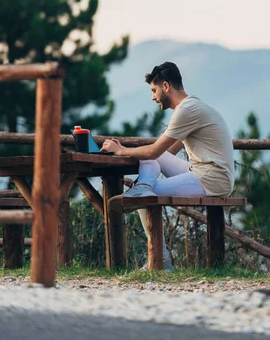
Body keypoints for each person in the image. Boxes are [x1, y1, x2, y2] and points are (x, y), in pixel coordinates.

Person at [101, 61, 235, 270]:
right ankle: (143, 189)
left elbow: (155, 151)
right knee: (147, 173)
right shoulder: (190, 107)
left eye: (154, 90)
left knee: (146, 189)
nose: (153, 97)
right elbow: (162, 153)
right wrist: (145, 158)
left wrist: (121, 151)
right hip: (202, 172)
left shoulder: (187, 110)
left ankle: (161, 261)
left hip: (212, 179)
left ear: (165, 86)